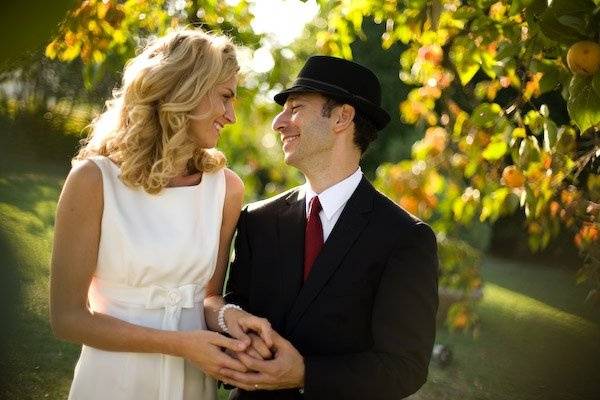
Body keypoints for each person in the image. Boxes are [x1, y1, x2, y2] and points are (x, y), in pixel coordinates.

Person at [50, 29, 273, 400]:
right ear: (186, 89)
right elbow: (67, 319)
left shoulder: (225, 189)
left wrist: (227, 317)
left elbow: (207, 297)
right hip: (112, 382)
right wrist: (179, 344)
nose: (231, 116)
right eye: (225, 97)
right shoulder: (94, 180)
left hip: (191, 384)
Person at [218, 56, 439, 399]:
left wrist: (305, 374)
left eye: (295, 108)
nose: (279, 122)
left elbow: (405, 367)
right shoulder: (256, 221)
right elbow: (234, 313)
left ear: (341, 117)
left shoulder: (405, 238)